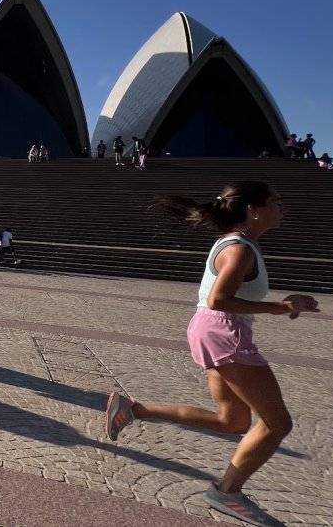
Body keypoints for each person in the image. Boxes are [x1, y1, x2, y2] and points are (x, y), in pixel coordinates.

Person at [104, 181, 319, 527]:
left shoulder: (240, 244)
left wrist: (285, 303)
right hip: (225, 332)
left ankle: (133, 409)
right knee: (277, 423)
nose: (283, 207)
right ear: (253, 209)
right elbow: (220, 299)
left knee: (232, 421)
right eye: (276, 201)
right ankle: (227, 491)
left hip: (212, 329)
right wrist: (280, 308)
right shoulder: (240, 249)